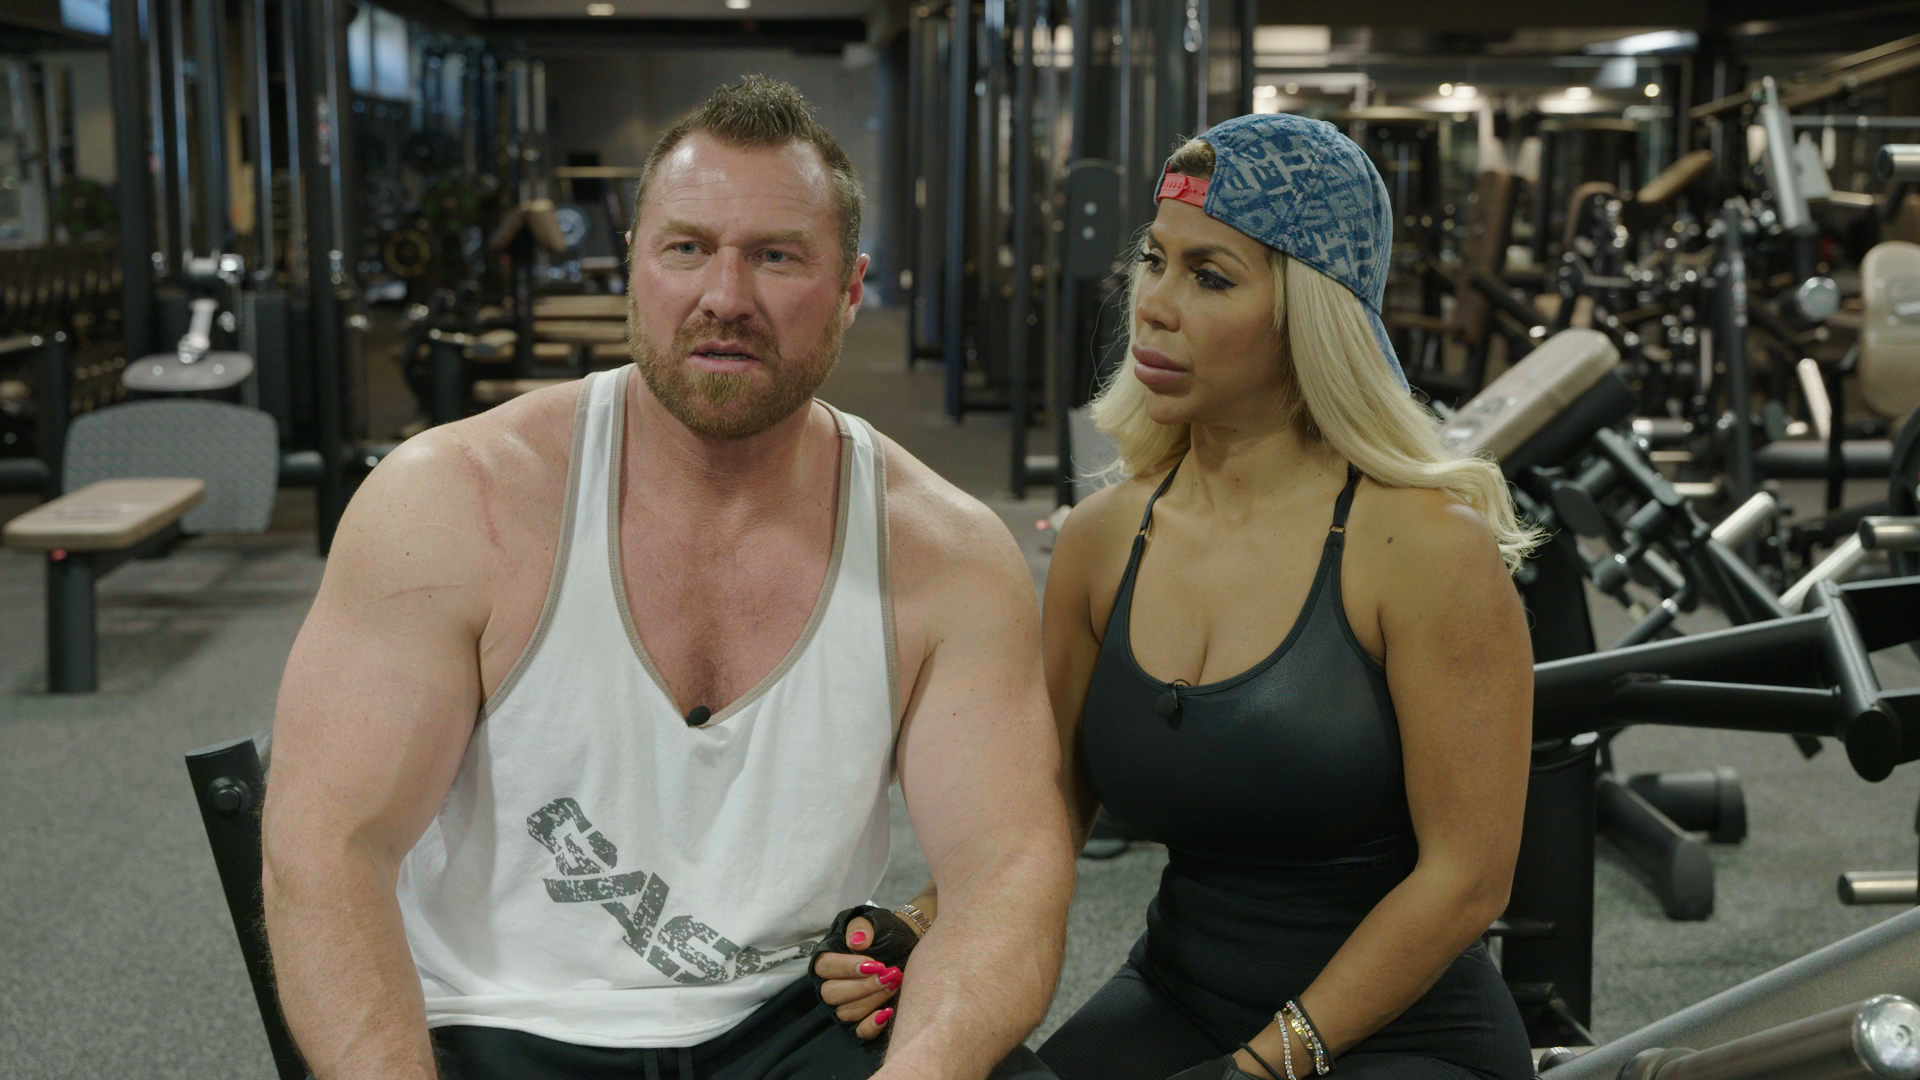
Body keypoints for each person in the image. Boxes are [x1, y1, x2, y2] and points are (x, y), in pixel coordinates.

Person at [261, 75, 1072, 1080]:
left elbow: (1007, 869)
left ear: (852, 288)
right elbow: (328, 849)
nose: (724, 297)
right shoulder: (449, 502)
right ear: (633, 269)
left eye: (776, 256)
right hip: (499, 1026)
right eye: (686, 249)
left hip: (790, 1020)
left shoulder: (948, 553)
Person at [818, 114, 1539, 1080]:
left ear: (1307, 314)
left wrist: (1265, 1064)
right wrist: (919, 922)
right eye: (1155, 261)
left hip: (1399, 1030)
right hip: (1180, 993)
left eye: (1212, 276)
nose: (1153, 305)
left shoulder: (1424, 548)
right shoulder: (1103, 539)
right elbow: (1043, 812)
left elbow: (1468, 881)